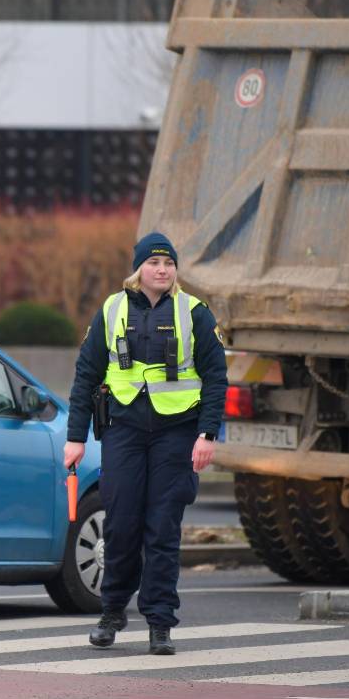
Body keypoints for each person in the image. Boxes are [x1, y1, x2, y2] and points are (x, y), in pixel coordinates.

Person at [64, 232, 227, 655]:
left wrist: (208, 435)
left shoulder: (194, 313)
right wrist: (75, 438)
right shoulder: (112, 309)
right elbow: (86, 375)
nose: (162, 270)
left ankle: (160, 623)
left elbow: (216, 378)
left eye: (169, 264)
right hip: (125, 431)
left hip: (177, 432)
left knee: (162, 530)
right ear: (138, 270)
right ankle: (112, 611)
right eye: (154, 264)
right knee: (120, 525)